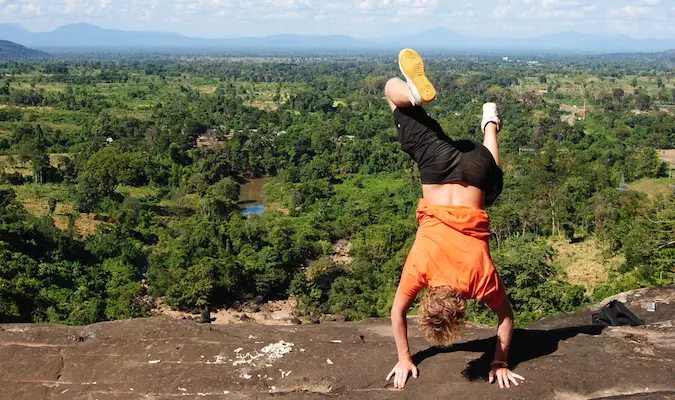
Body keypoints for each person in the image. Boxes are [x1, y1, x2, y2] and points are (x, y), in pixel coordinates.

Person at [384, 49, 525, 390]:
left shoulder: (479, 279)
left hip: (477, 169)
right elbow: (397, 314)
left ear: (462, 305)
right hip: (437, 165)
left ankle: (490, 122)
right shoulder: (421, 269)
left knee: (493, 179)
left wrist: (499, 361)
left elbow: (505, 318)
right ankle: (412, 94)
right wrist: (404, 356)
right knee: (391, 94)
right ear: (428, 298)